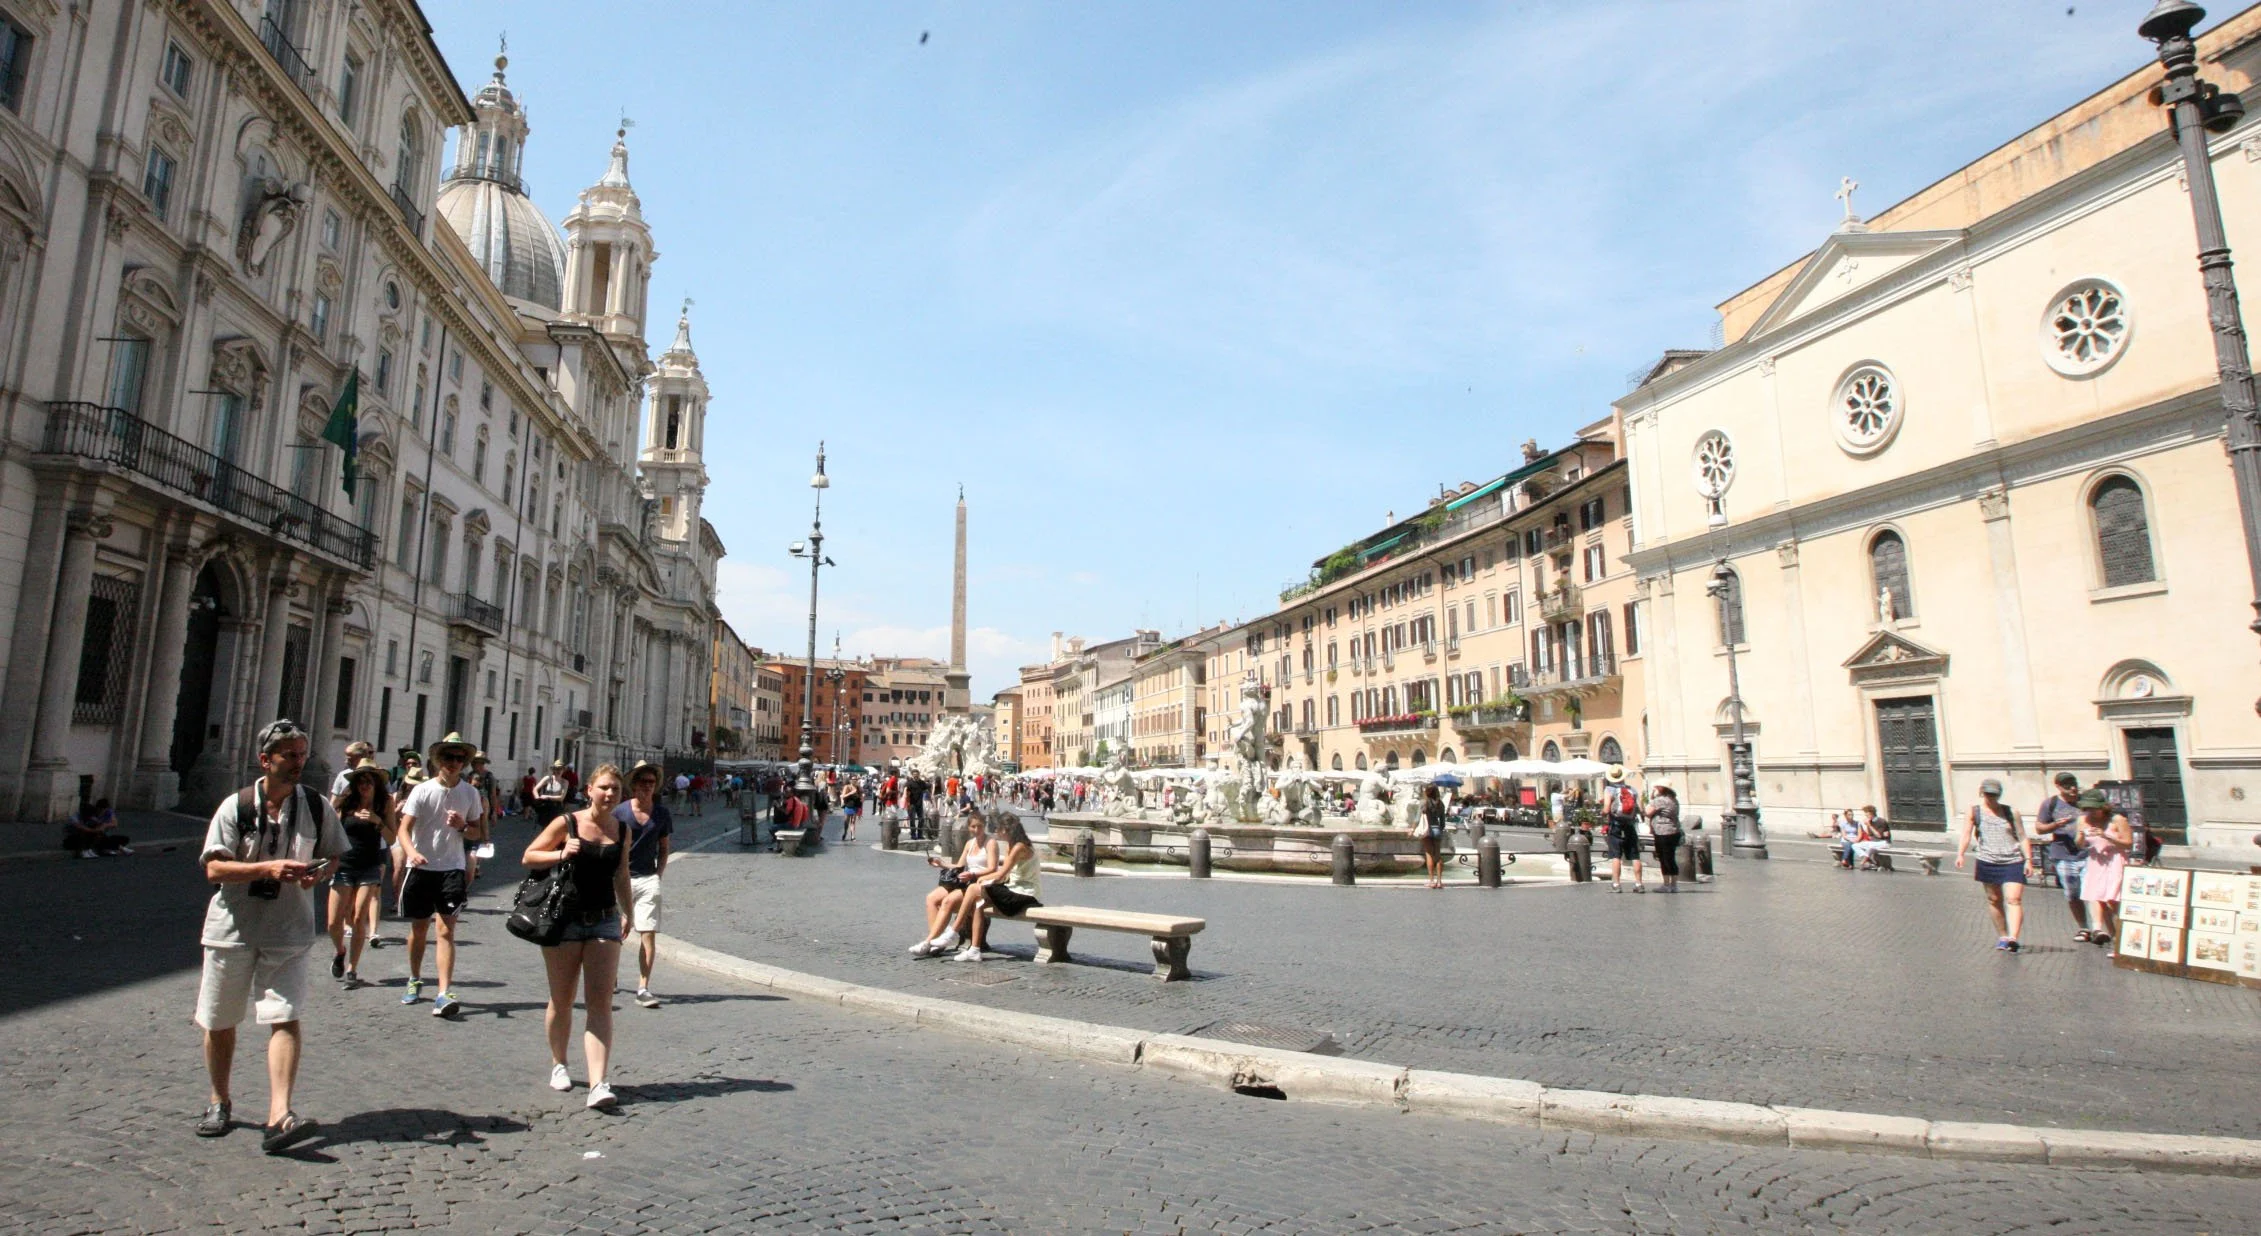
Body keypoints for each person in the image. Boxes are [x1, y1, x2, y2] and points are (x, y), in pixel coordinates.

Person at [192, 719, 345, 1153]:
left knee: (285, 1016)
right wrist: (266, 869)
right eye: (290, 755)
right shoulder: (235, 807)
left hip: (290, 930)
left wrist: (320, 873)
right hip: (232, 930)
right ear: (266, 760)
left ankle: (280, 1114)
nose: (300, 762)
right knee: (220, 1020)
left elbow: (334, 855)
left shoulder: (317, 806)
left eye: (302, 753)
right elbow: (214, 869)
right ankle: (219, 1100)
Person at [523, 764, 634, 1109]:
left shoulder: (623, 829)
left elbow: (622, 873)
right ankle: (559, 1064)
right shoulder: (566, 823)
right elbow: (528, 856)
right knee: (562, 999)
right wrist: (560, 852)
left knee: (600, 1003)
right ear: (588, 790)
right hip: (564, 920)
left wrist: (627, 911)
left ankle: (599, 1083)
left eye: (615, 789)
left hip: (604, 921)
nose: (609, 794)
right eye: (603, 788)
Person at [396, 732, 484, 1017]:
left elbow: (478, 832)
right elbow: (403, 829)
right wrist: (410, 852)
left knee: (446, 930)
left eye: (460, 758)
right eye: (449, 757)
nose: (454, 763)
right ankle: (414, 977)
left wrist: (461, 826)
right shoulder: (422, 790)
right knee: (419, 930)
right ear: (438, 760)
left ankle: (444, 992)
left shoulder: (470, 793)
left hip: (452, 868)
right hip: (421, 868)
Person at [326, 760, 392, 987]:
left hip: (369, 866)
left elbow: (393, 839)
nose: (365, 785)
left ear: (376, 784)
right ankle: (340, 951)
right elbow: (332, 832)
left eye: (369, 781)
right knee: (333, 923)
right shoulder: (345, 803)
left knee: (357, 918)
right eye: (361, 781)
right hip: (344, 865)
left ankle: (353, 968)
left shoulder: (384, 805)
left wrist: (378, 822)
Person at [944, 812, 1042, 962]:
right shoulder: (1013, 845)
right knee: (978, 901)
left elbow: (1000, 874)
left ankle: (953, 930)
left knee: (972, 889)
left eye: (997, 829)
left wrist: (979, 879)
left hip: (1025, 894)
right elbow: (1004, 876)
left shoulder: (1019, 847)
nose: (996, 832)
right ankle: (975, 949)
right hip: (1014, 889)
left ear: (1005, 830)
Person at [1954, 777, 2034, 953]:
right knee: (1994, 899)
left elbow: (2022, 836)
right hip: (1987, 860)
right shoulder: (1975, 812)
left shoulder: (2012, 812)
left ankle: (2013, 937)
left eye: (1994, 795)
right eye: (1988, 794)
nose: (1991, 798)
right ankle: (2003, 935)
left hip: (2013, 860)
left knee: (2014, 899)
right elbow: (1966, 833)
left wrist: (2028, 859)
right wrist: (1960, 854)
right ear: (1982, 793)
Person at [617, 761, 673, 1009]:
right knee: (615, 933)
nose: (647, 787)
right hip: (621, 880)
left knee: (648, 933)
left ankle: (643, 987)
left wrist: (658, 874)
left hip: (648, 879)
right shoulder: (620, 813)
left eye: (651, 783)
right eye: (643, 782)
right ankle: (612, 977)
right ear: (634, 785)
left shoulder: (661, 814)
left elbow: (664, 848)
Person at [911, 807, 997, 956]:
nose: (977, 830)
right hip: (964, 880)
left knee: (947, 901)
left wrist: (972, 874)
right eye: (973, 826)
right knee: (931, 898)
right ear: (969, 827)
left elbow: (993, 868)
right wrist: (942, 864)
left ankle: (929, 941)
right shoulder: (970, 843)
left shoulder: (991, 843)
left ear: (984, 825)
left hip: (978, 883)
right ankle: (937, 940)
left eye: (980, 826)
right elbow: (959, 866)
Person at [2032, 772, 2093, 941]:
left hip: (2088, 853)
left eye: (2074, 784)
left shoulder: (2085, 801)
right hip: (2064, 855)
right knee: (2072, 893)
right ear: (2058, 787)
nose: (2073, 788)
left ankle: (2099, 927)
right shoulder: (2050, 804)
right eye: (2067, 786)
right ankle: (2083, 927)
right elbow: (2039, 828)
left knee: (2094, 891)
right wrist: (2055, 825)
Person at [2078, 789, 2133, 948]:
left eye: (2094, 809)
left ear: (2103, 807)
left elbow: (2128, 843)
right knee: (2097, 897)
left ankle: (2121, 940)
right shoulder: (2083, 820)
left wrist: (2105, 835)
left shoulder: (2117, 820)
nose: (2091, 812)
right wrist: (2081, 835)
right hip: (2096, 861)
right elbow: (2079, 844)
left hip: (2115, 860)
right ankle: (2112, 937)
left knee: (2112, 901)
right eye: (2088, 809)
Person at [1603, 770, 1644, 893]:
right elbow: (1640, 808)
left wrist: (1604, 813)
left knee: (1616, 855)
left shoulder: (1609, 790)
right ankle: (1639, 883)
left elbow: (1606, 809)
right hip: (1630, 825)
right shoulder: (1633, 790)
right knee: (1635, 855)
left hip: (1616, 825)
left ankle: (1616, 884)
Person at [464, 752, 499, 883]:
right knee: (472, 836)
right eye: (474, 762)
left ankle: (477, 864)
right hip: (470, 810)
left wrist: (494, 812)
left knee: (484, 836)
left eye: (478, 762)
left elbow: (493, 795)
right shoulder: (469, 776)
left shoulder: (490, 777)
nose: (475, 765)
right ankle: (472, 862)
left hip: (484, 809)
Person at [63, 797, 131, 857]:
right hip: (72, 839)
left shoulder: (90, 817)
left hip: (88, 837)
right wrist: (98, 830)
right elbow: (84, 829)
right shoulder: (74, 819)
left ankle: (106, 848)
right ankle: (117, 848)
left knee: (117, 839)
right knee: (96, 836)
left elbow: (113, 823)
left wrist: (103, 826)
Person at [1646, 785, 1683, 891]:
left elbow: (1647, 812)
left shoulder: (1660, 800)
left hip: (1662, 831)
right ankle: (1674, 885)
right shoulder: (1673, 799)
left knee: (1664, 858)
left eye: (1656, 788)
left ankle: (1666, 884)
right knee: (1671, 858)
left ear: (1661, 789)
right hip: (1674, 830)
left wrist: (1651, 798)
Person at [1415, 785, 1448, 889]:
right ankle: (1439, 881)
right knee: (1438, 856)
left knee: (1429, 854)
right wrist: (1439, 829)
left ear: (1426, 792)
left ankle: (1431, 881)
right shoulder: (1440, 803)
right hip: (1436, 829)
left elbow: (1417, 818)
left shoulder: (1424, 802)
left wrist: (1412, 830)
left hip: (1426, 829)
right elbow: (1443, 821)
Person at [533, 761, 569, 828]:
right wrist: (538, 799)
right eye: (557, 768)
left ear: (563, 770)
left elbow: (561, 797)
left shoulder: (565, 782)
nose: (558, 771)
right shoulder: (548, 778)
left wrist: (547, 797)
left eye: (560, 769)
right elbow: (535, 789)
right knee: (544, 827)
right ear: (554, 769)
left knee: (554, 828)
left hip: (556, 808)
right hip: (546, 807)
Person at [839, 777, 863, 843]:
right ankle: (845, 832)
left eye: (855, 779)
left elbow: (861, 798)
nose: (854, 781)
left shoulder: (858, 788)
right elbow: (842, 796)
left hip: (855, 806)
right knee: (846, 821)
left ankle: (853, 836)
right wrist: (851, 793)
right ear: (850, 780)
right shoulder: (847, 787)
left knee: (853, 821)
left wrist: (861, 798)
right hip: (848, 805)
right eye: (852, 779)